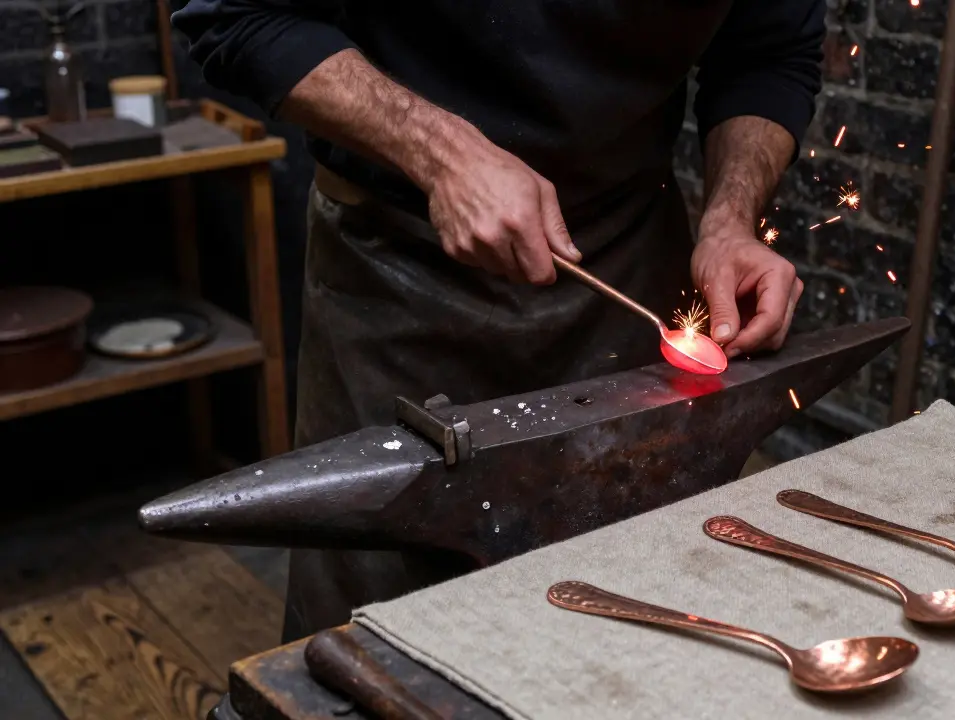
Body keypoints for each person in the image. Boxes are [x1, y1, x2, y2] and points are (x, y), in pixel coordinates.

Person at [173, 0, 825, 640]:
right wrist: (441, 152)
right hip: (398, 270)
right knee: (377, 632)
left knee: (626, 610)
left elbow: (765, 49)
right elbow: (237, 17)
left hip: (627, 254)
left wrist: (730, 219)